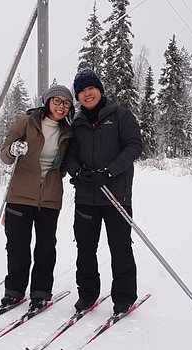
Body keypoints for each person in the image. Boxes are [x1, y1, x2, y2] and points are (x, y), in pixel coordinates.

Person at [65, 68, 143, 315]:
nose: (87, 94)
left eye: (91, 89)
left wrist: (109, 172)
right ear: (77, 97)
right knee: (85, 248)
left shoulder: (120, 115)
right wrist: (77, 173)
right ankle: (87, 294)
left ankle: (124, 296)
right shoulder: (76, 123)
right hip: (86, 196)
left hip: (116, 195)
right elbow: (69, 154)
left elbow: (134, 146)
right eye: (82, 91)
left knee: (120, 247)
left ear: (100, 90)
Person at [0, 84, 75, 311]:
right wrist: (14, 149)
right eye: (57, 101)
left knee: (45, 247)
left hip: (50, 198)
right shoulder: (26, 122)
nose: (61, 107)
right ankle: (14, 291)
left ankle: (40, 292)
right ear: (47, 101)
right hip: (20, 195)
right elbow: (5, 156)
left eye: (66, 103)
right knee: (17, 246)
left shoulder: (68, 132)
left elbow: (64, 165)